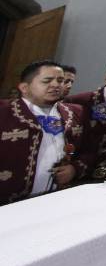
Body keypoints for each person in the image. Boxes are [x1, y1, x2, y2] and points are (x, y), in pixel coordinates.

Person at [0, 61, 88, 204]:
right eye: (47, 80)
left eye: (60, 80)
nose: (56, 85)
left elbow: (90, 150)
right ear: (24, 87)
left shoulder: (76, 113)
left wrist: (74, 169)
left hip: (56, 201)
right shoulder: (4, 112)